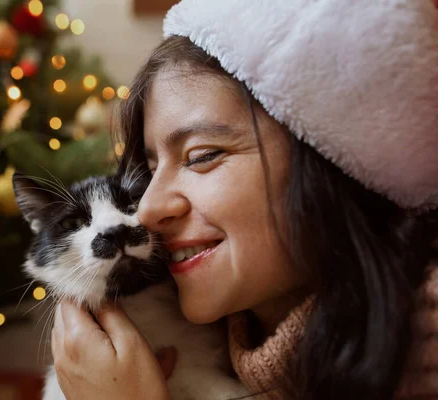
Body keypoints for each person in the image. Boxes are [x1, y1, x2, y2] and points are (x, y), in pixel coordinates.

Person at [50, 1, 438, 399]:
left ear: (330, 161)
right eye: (149, 174)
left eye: (201, 156)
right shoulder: (209, 350)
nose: (146, 211)